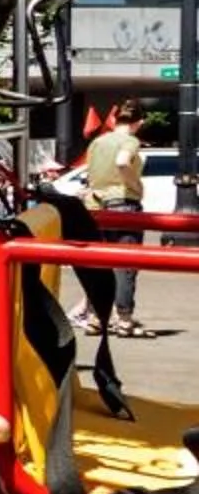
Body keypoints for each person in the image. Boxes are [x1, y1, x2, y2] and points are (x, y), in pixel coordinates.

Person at [80, 99, 150, 337]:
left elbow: (89, 175)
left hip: (96, 206)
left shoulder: (97, 142)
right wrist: (133, 184)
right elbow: (122, 162)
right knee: (125, 264)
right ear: (139, 122)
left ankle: (94, 317)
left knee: (99, 263)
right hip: (123, 203)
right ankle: (124, 319)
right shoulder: (130, 140)